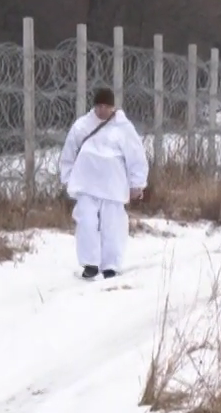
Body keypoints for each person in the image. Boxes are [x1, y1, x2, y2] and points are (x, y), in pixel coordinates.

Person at [58, 87, 149, 280]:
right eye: (98, 106)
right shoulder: (82, 125)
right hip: (86, 183)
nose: (101, 110)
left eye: (106, 106)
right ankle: (90, 263)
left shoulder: (124, 128)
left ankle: (111, 265)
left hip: (113, 186)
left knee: (113, 225)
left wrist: (137, 183)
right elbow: (69, 152)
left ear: (112, 107)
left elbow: (136, 157)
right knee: (86, 222)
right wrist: (67, 178)